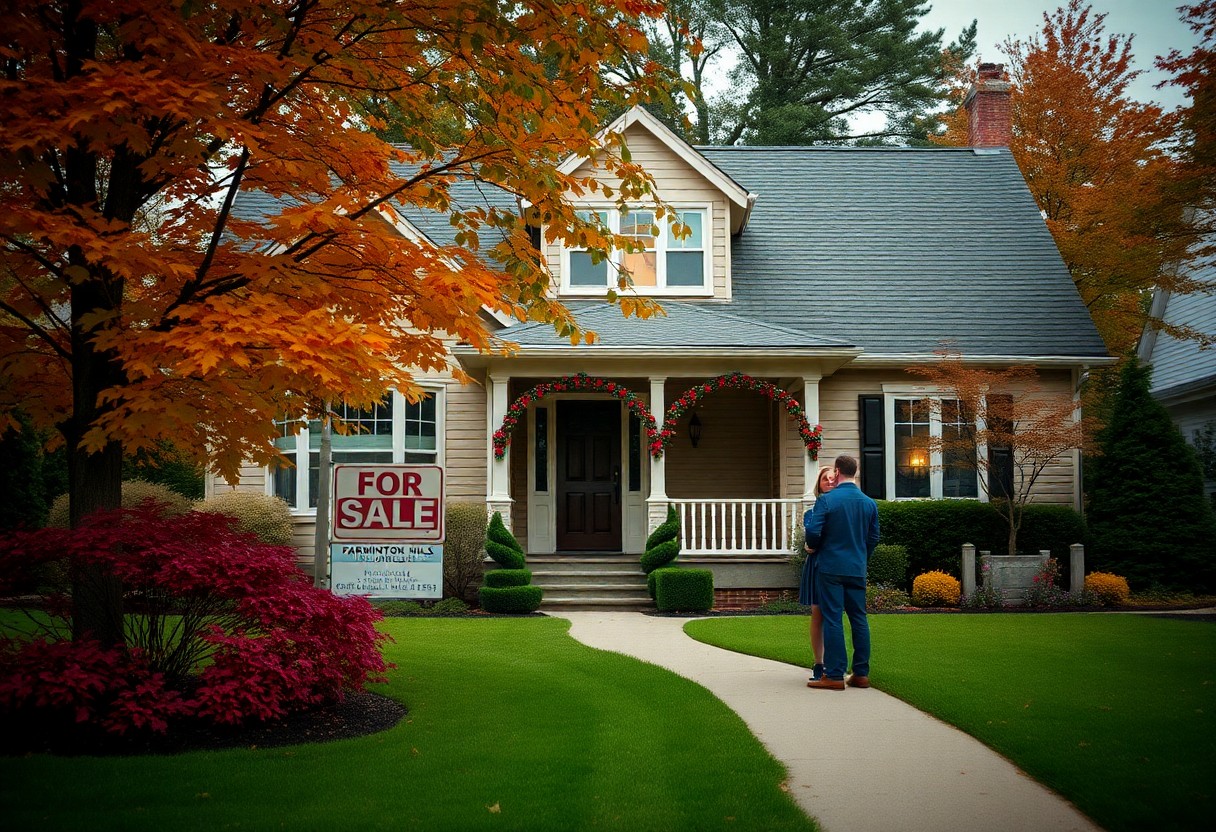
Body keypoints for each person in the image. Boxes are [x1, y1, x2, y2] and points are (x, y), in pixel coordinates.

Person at [805, 454, 880, 691]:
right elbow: (873, 538)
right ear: (855, 473)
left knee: (833, 617)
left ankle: (835, 675)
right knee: (859, 618)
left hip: (830, 567)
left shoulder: (827, 500)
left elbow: (813, 533)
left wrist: (816, 546)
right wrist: (860, 557)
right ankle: (861, 674)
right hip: (857, 568)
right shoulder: (869, 503)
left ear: (837, 472)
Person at [800, 465, 835, 682]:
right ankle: (818, 663)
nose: (830, 482)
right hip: (816, 565)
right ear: (819, 485)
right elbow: (814, 536)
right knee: (817, 614)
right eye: (825, 479)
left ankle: (834, 663)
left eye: (833, 479)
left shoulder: (842, 508)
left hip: (833, 564)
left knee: (834, 616)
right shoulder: (810, 513)